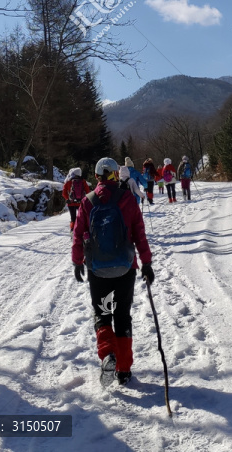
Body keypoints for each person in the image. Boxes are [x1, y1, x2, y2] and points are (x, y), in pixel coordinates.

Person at [72, 157, 154, 387]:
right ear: (115, 175)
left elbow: (78, 234)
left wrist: (77, 262)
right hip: (125, 268)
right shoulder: (127, 199)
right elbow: (139, 233)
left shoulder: (87, 202)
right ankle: (124, 370)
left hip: (97, 270)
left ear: (96, 176)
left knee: (102, 313)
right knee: (122, 315)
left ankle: (108, 354)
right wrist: (146, 263)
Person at [62, 167, 91, 231]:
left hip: (71, 203)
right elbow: (88, 191)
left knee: (73, 218)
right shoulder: (83, 181)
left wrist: (68, 199)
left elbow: (64, 193)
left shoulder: (68, 181)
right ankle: (82, 230)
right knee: (82, 217)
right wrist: (84, 199)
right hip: (80, 202)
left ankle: (72, 230)